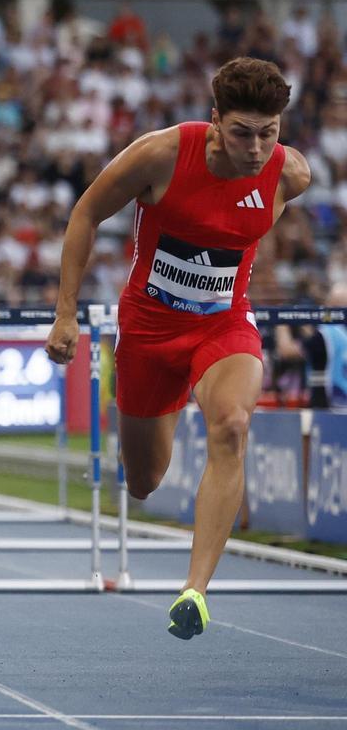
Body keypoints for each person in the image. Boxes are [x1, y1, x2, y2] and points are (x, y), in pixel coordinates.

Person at [44, 58, 311, 640]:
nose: (257, 147)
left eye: (269, 132)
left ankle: (194, 592)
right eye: (242, 132)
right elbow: (86, 213)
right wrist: (66, 312)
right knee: (143, 480)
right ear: (214, 120)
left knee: (234, 425)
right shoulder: (161, 154)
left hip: (224, 327)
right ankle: (153, 433)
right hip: (148, 331)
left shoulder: (290, 175)